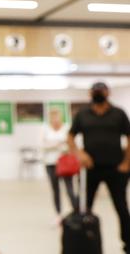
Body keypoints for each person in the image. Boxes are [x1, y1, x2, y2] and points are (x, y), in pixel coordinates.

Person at [68, 82, 130, 253]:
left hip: (116, 169)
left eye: (101, 91)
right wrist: (79, 153)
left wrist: (126, 163)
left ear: (108, 92)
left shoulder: (118, 113)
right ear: (90, 93)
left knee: (122, 207)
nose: (98, 93)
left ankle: (128, 243)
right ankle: (84, 242)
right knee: (84, 208)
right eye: (95, 91)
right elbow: (70, 136)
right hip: (90, 170)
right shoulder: (83, 114)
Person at [41, 108, 76, 224]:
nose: (55, 119)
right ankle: (58, 215)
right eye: (53, 117)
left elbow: (70, 144)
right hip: (51, 163)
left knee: (69, 189)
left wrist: (56, 145)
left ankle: (76, 212)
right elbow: (42, 145)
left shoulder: (66, 128)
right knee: (55, 190)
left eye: (57, 117)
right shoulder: (45, 129)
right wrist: (58, 144)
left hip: (65, 163)